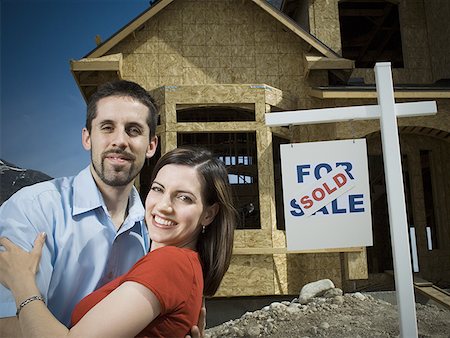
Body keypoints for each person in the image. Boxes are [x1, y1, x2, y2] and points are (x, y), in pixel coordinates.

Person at [0, 80, 193, 337]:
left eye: (133, 130)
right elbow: (5, 323)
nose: (120, 141)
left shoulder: (155, 230)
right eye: (107, 127)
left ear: (151, 146)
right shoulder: (31, 210)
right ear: (87, 138)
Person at [0, 147, 236, 337]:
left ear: (209, 214)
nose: (163, 206)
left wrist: (22, 283)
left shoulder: (170, 264)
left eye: (184, 198)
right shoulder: (184, 266)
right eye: (158, 189)